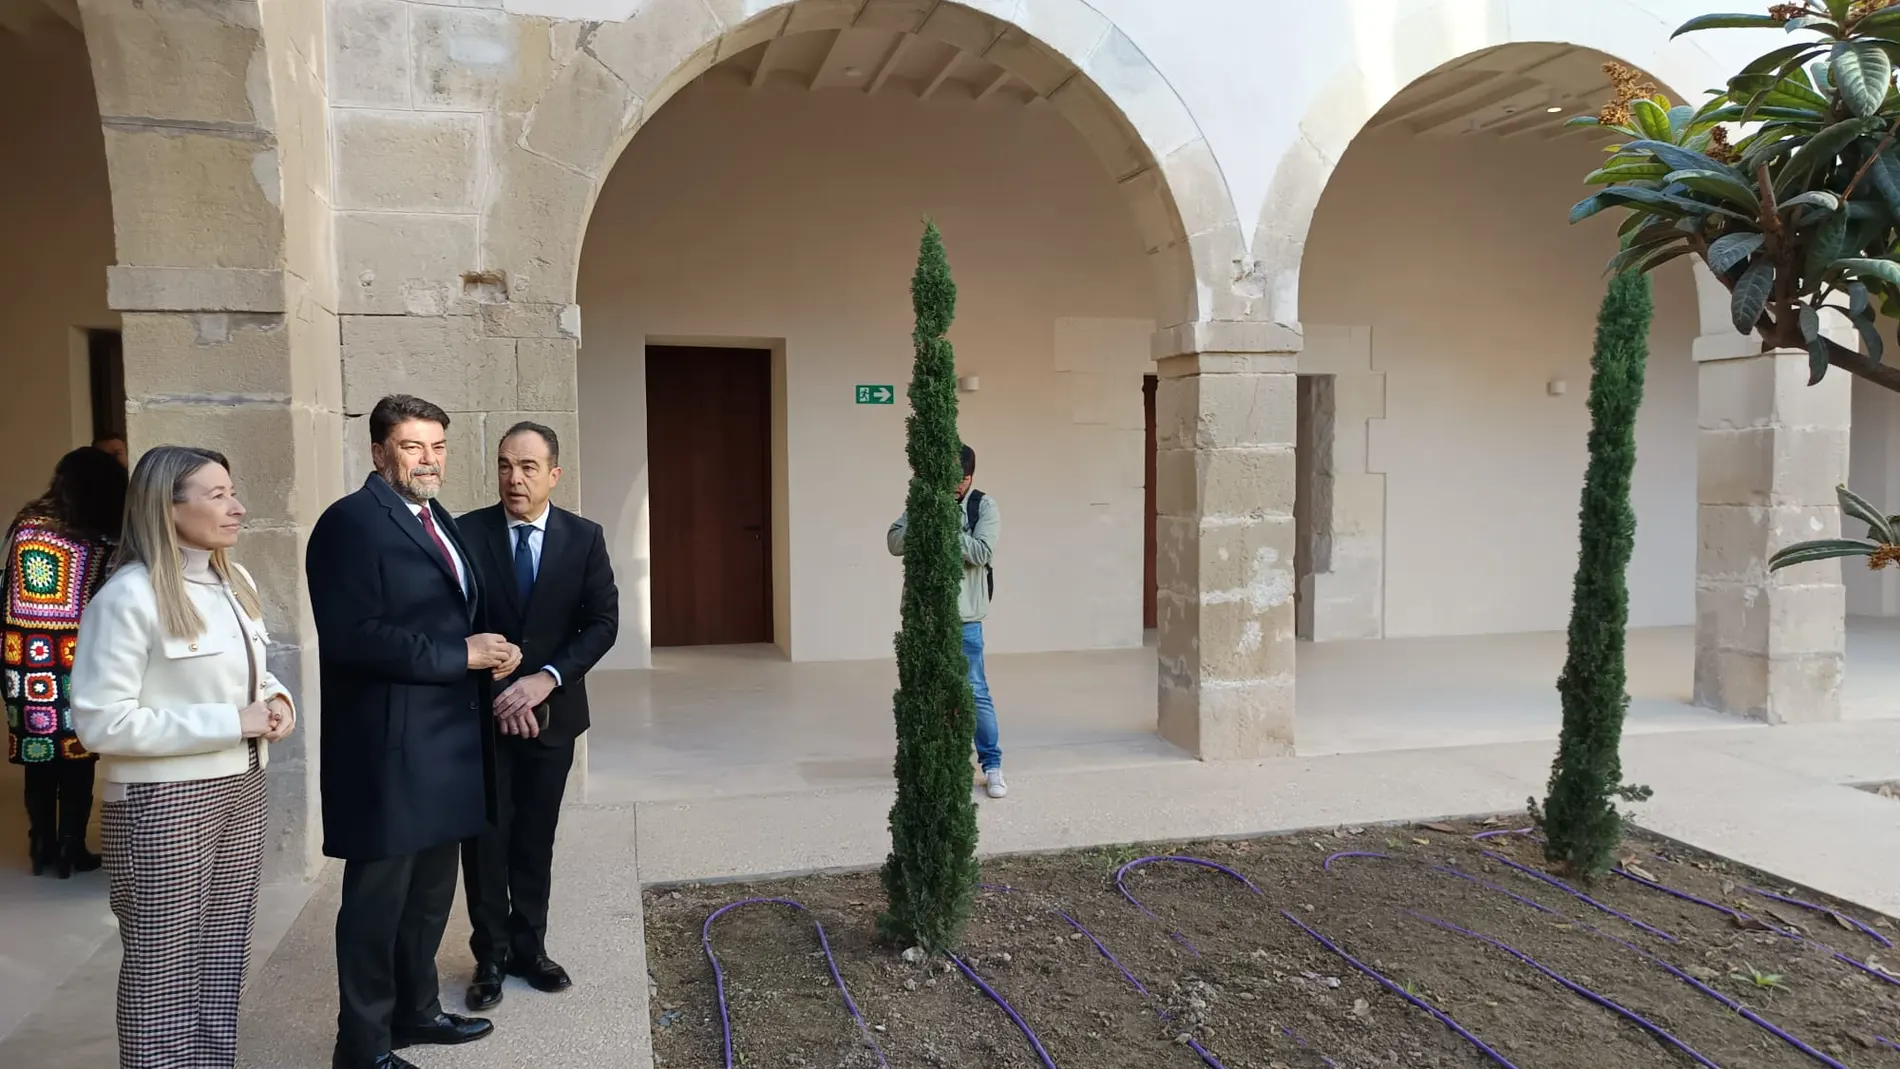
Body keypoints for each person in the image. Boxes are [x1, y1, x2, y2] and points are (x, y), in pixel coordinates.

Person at [307, 394, 522, 1069]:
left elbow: (456, 611)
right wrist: (461, 655)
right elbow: (352, 637)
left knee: (429, 897)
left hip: (446, 746)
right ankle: (363, 1046)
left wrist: (495, 651)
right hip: (389, 750)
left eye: (437, 446)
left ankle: (415, 1010)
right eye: (412, 446)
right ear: (378, 452)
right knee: (376, 906)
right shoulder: (349, 524)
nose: (429, 459)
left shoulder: (438, 519)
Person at [69, 445, 295, 1069]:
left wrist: (276, 705)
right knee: (162, 970)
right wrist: (231, 723)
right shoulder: (127, 598)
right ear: (166, 508)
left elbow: (254, 675)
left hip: (240, 786)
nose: (237, 506)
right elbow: (99, 722)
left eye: (232, 490)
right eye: (217, 495)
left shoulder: (234, 579)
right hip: (161, 802)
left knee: (222, 955)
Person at [457, 421, 619, 1010]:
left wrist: (542, 681)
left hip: (552, 715)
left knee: (534, 839)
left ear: (554, 474)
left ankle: (531, 950)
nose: (514, 478)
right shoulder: (465, 533)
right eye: (504, 465)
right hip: (484, 717)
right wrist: (499, 682)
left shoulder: (584, 537)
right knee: (485, 842)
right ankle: (489, 958)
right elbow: (450, 618)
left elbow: (601, 623)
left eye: (527, 467)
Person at [5, 446, 127, 876]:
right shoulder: (106, 536)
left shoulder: (29, 527)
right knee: (78, 755)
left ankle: (41, 844)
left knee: (39, 755)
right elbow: (111, 599)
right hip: (79, 657)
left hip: (25, 663)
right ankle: (72, 847)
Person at [886, 443, 1004, 798]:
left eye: (957, 477)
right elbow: (894, 542)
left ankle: (993, 765)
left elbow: (982, 552)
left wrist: (943, 529)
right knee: (924, 692)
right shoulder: (923, 501)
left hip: (965, 618)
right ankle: (934, 764)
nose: (950, 483)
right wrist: (925, 518)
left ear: (968, 477)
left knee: (974, 690)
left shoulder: (983, 505)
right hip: (923, 615)